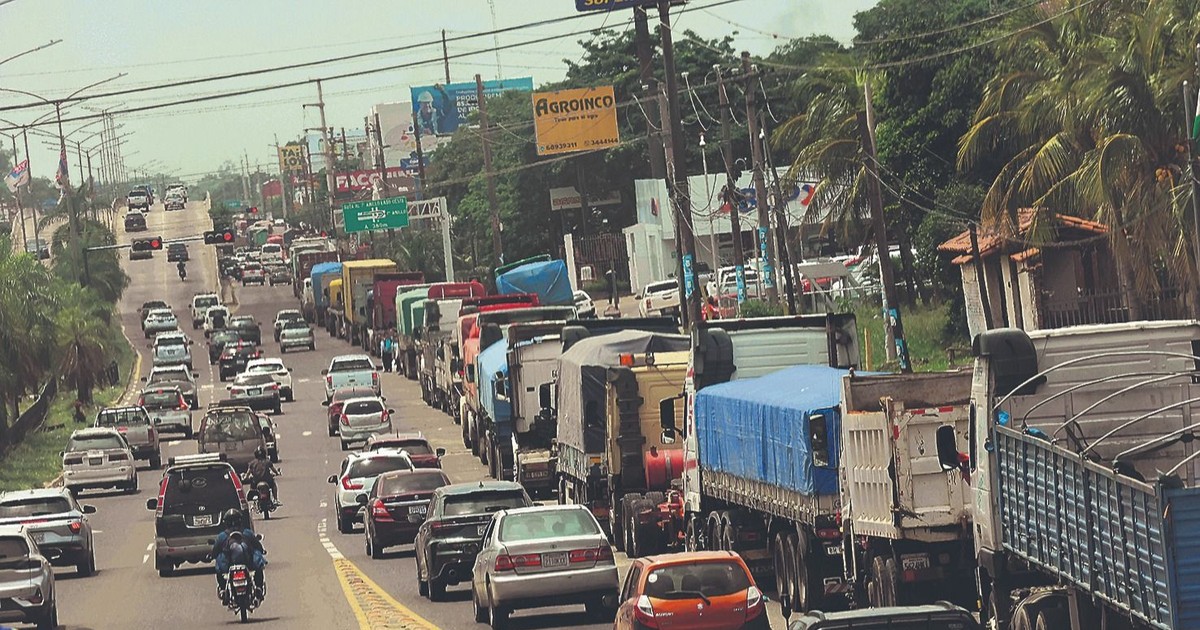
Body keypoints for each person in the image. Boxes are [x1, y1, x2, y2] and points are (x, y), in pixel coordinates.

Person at [212, 509, 267, 601]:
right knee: (259, 568)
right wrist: (262, 551)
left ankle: (222, 589)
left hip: (229, 566)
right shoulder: (247, 533)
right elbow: (258, 546)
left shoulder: (222, 536)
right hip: (248, 564)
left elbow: (215, 551)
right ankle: (259, 587)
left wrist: (212, 556)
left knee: (218, 568)